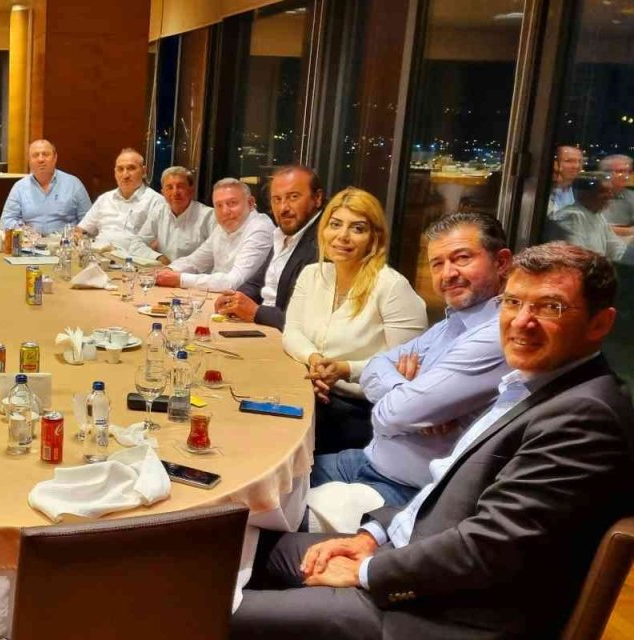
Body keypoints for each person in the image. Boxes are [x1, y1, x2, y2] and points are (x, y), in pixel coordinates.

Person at [233, 242, 634, 640]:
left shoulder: (586, 416)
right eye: (512, 302)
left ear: (600, 324)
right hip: (409, 557)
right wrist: (373, 536)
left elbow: (490, 548)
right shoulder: (530, 386)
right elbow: (443, 491)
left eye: (550, 307)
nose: (521, 321)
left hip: (439, 615)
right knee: (225, 549)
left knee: (206, 603)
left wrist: (368, 571)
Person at [312, 213, 513, 507]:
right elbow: (374, 367)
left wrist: (406, 404)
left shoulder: (498, 335)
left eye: (462, 258)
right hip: (368, 461)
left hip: (409, 493)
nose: (448, 274)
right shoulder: (451, 323)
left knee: (260, 514)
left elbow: (390, 416)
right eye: (437, 263)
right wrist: (407, 393)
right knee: (266, 480)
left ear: (502, 262)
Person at [282, 187, 428, 454]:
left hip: (365, 412)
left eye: (357, 228)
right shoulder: (311, 274)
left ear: (374, 238)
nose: (342, 236)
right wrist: (315, 360)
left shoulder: (392, 287)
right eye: (335, 225)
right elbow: (292, 332)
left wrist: (344, 369)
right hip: (316, 394)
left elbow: (406, 367)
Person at [214, 165, 324, 330]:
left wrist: (256, 312)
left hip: (284, 335)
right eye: (277, 199)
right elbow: (257, 282)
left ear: (317, 198)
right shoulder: (284, 233)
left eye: (293, 197)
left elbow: (311, 321)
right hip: (263, 326)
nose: (283, 208)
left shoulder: (325, 242)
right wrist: (235, 298)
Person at [155, 178, 273, 291]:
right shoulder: (222, 227)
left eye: (232, 203)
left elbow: (233, 282)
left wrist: (180, 279)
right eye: (219, 205)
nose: (225, 211)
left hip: (244, 300)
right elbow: (194, 261)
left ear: (251, 203)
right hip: (217, 297)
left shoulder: (260, 229)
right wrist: (169, 270)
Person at [73, 148, 164, 261]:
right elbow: (81, 230)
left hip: (133, 262)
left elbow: (160, 243)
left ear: (144, 171)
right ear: (115, 173)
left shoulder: (157, 202)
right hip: (98, 259)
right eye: (120, 169)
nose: (125, 175)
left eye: (131, 168)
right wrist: (79, 238)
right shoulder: (105, 199)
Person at [0, 139, 92, 233]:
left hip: (64, 241)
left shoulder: (74, 184)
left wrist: (77, 233)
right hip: (30, 240)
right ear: (29, 160)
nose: (41, 159)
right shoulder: (19, 187)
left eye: (46, 154)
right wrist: (25, 230)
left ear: (55, 158)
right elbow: (6, 221)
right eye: (35, 155)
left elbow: (90, 222)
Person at [544, 174, 633, 264]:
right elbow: (577, 259)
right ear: (584, 195)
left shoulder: (598, 216)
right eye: (603, 192)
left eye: (610, 191)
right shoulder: (571, 217)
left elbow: (617, 250)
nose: (610, 196)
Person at [135, 166, 216, 264]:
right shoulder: (159, 211)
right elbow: (136, 245)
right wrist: (158, 257)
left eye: (180, 186)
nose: (175, 192)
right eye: (169, 187)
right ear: (163, 193)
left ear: (191, 191)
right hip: (165, 269)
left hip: (194, 272)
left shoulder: (209, 216)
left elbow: (215, 254)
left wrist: (178, 268)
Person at [599, 154, 634, 236]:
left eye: (628, 172)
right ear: (605, 173)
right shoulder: (588, 195)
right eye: (620, 171)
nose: (626, 176)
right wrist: (628, 231)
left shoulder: (631, 196)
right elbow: (591, 228)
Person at [550, 144, 583, 214]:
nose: (577, 166)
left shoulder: (581, 191)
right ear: (555, 164)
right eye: (569, 161)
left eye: (579, 161)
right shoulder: (541, 190)